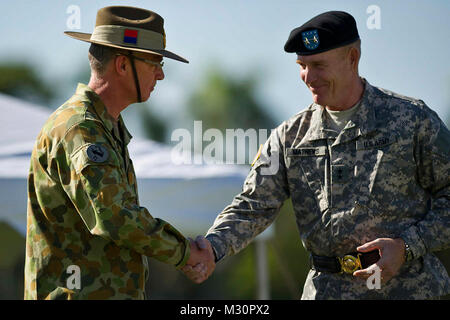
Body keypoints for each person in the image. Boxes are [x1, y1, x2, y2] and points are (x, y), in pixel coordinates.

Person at [188, 11, 450, 299]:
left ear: (352, 58)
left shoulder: (412, 121)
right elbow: (253, 205)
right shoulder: (288, 137)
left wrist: (407, 246)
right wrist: (212, 247)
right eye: (302, 66)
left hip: (409, 291)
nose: (308, 78)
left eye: (318, 65)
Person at [24, 6, 214, 300]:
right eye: (155, 63)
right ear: (123, 65)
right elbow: (116, 217)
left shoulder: (101, 126)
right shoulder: (81, 129)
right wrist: (186, 253)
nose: (161, 75)